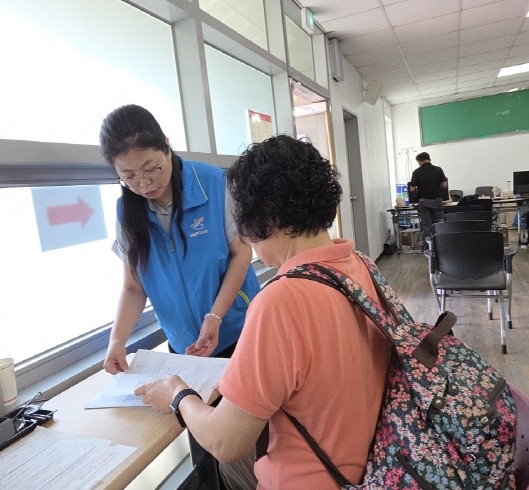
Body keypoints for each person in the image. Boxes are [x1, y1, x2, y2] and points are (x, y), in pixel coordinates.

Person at [135, 135, 392, 488]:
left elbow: (226, 442)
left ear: (264, 218)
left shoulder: (282, 301)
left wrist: (176, 393)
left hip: (316, 479)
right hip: (378, 460)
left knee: (229, 465)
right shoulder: (361, 265)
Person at [99, 104, 260, 367]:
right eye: (128, 177)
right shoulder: (126, 213)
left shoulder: (215, 184)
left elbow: (242, 253)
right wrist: (117, 340)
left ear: (166, 146)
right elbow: (133, 287)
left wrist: (215, 316)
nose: (144, 184)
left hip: (238, 331)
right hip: (184, 346)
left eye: (151, 169)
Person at [409, 151, 448, 249]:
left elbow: (412, 188)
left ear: (419, 161)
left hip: (424, 201)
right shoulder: (438, 169)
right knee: (439, 223)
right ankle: (441, 247)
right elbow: (444, 185)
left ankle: (428, 248)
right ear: (429, 159)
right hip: (437, 200)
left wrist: (417, 190)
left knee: (426, 225)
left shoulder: (416, 172)